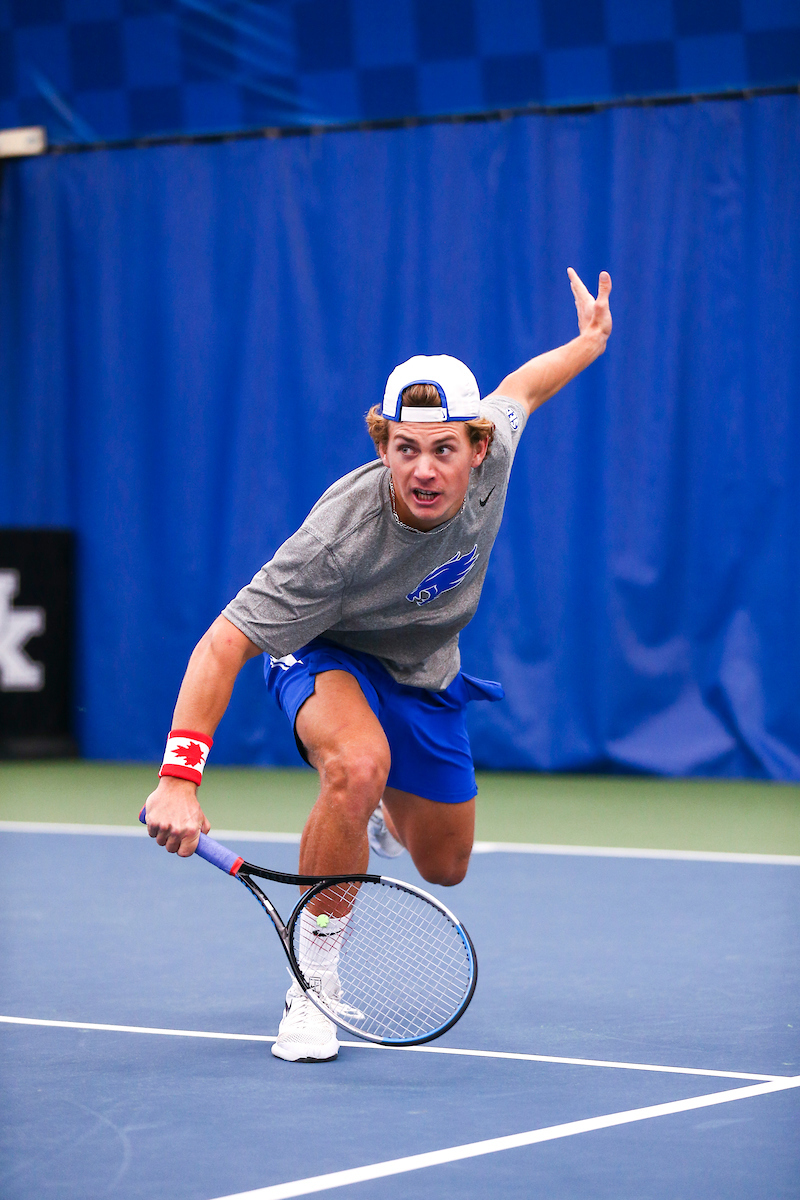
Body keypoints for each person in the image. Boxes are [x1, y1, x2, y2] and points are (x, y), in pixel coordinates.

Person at [143, 267, 613, 1063]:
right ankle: (313, 980)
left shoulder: (493, 450)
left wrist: (588, 342)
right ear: (383, 446)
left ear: (477, 446)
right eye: (404, 449)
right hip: (325, 653)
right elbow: (223, 643)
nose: (424, 469)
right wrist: (179, 779)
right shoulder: (337, 538)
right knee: (357, 763)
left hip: (424, 669)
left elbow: (523, 387)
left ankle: (378, 812)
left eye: (442, 449)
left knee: (446, 865)